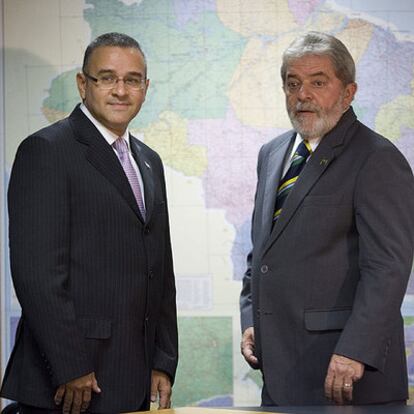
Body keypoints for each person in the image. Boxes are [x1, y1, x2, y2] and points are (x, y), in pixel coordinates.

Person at [1, 32, 178, 413]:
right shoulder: (47, 151)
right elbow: (37, 274)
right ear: (83, 84)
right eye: (106, 77)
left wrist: (162, 360)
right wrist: (71, 366)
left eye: (132, 80)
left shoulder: (148, 161)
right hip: (70, 384)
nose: (120, 90)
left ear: (145, 88)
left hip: (132, 377)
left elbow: (159, 270)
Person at [240, 31, 414, 406]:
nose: (303, 95)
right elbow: (262, 255)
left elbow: (388, 267)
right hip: (279, 369)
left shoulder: (377, 158)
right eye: (293, 83)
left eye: (318, 82)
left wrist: (355, 350)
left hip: (347, 374)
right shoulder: (271, 154)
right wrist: (251, 320)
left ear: (348, 92)